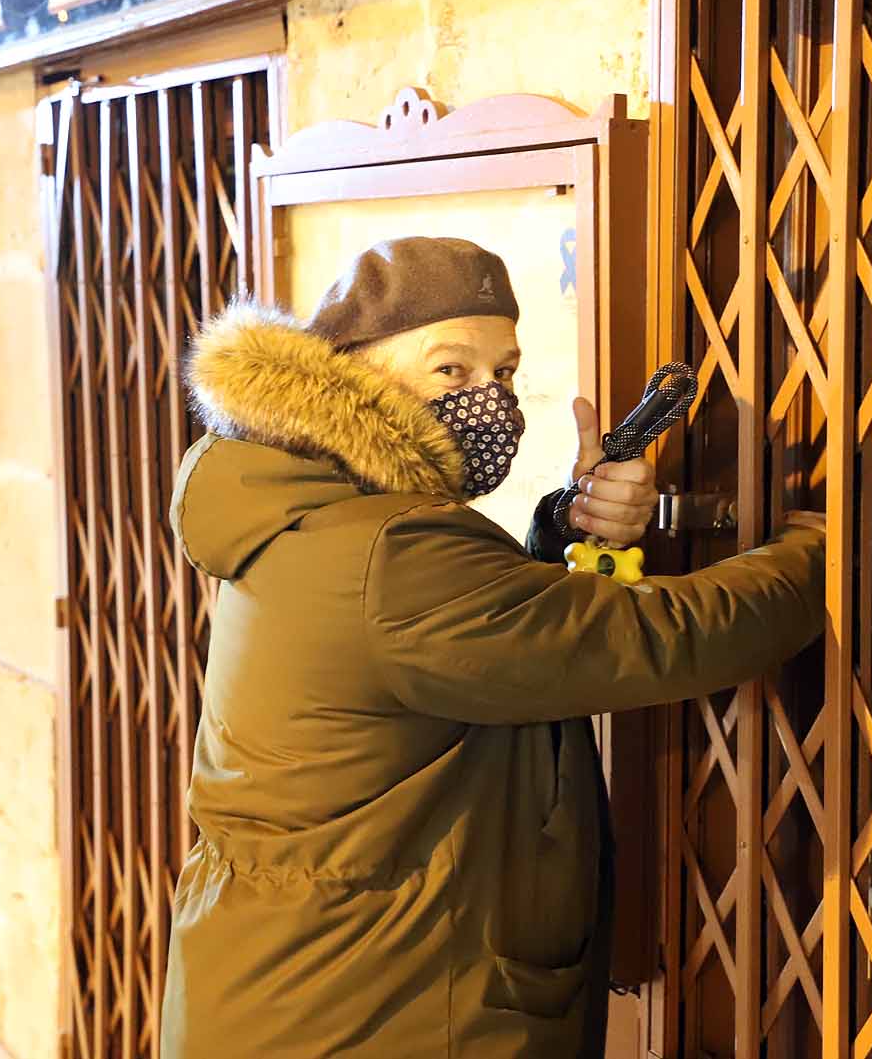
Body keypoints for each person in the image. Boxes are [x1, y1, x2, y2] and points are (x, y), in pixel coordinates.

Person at [160, 237, 826, 1058]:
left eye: (503, 373)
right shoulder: (389, 556)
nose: (490, 398)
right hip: (365, 1012)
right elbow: (656, 638)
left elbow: (476, 630)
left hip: (295, 987)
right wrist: (824, 553)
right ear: (353, 381)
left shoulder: (305, 509)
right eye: (452, 372)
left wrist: (562, 528)